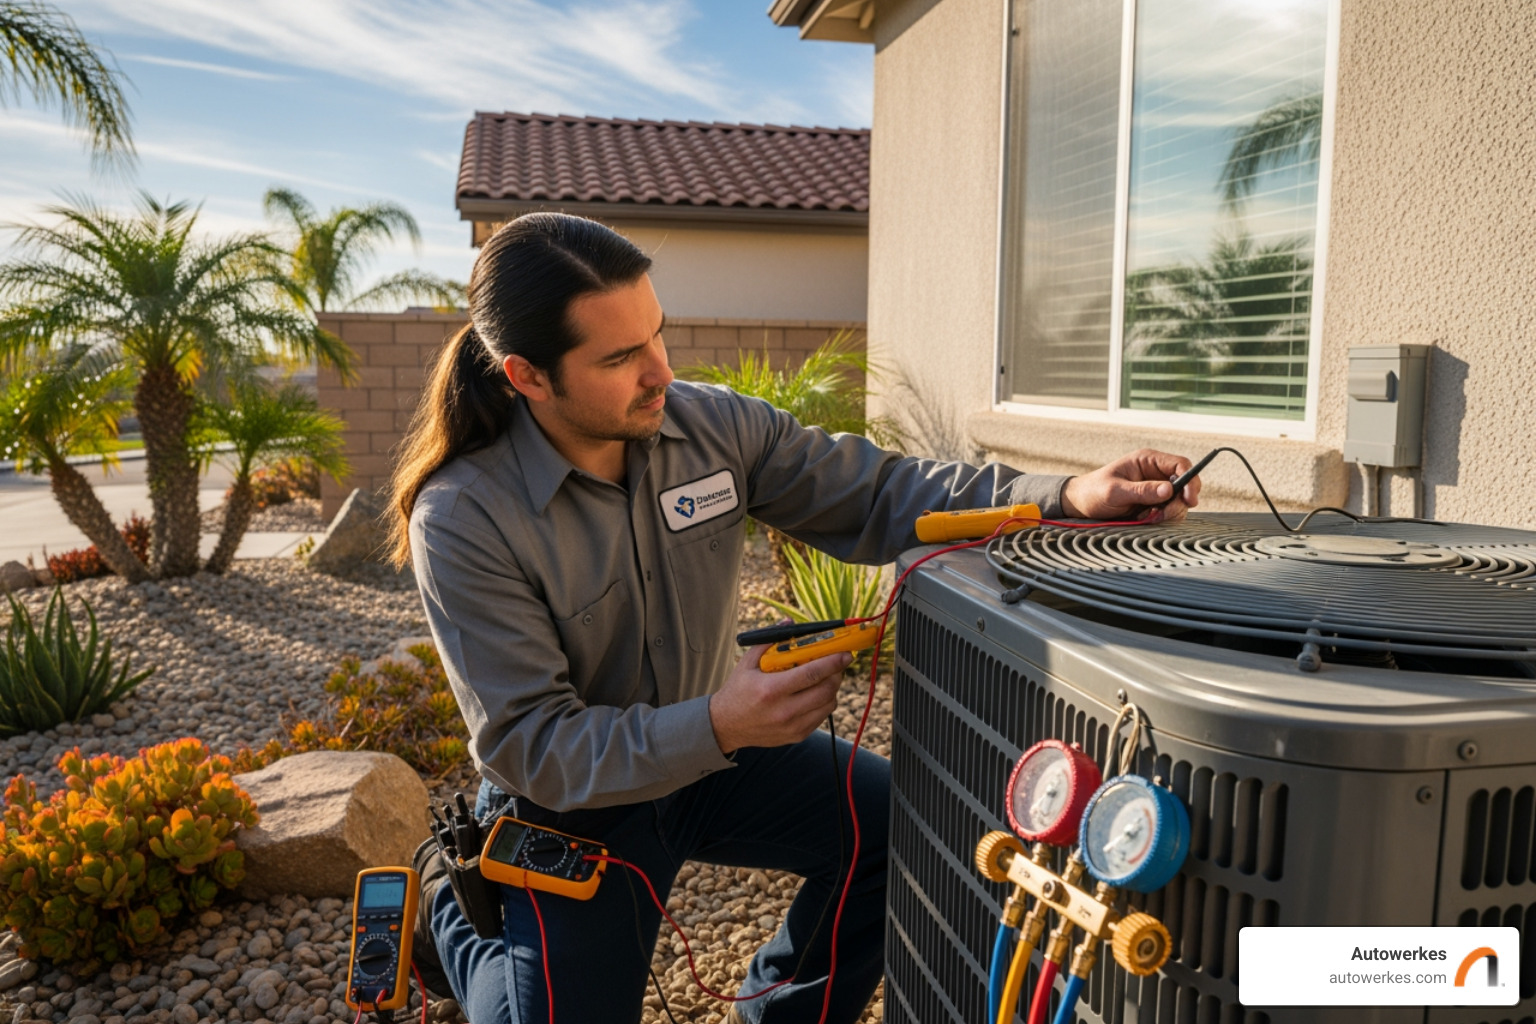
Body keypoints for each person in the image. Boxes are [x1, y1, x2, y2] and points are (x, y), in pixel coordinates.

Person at [386, 213, 1201, 1024]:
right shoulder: (464, 516)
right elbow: (534, 744)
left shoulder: (712, 427)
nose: (659, 372)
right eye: (620, 357)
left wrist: (1060, 496)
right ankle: (455, 915)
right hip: (575, 807)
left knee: (896, 828)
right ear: (528, 376)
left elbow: (882, 492)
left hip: (717, 758)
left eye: (658, 335)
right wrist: (719, 721)